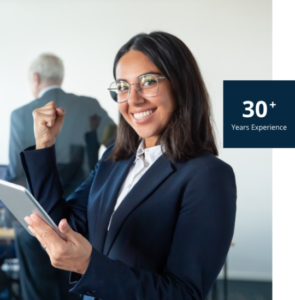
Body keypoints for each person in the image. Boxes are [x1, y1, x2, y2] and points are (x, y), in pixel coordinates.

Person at [22, 32, 236, 300]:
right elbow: (62, 225)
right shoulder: (115, 159)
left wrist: (88, 266)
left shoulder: (208, 176)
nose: (133, 99)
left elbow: (184, 294)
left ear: (180, 85)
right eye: (122, 86)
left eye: (148, 82)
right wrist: (44, 145)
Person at [4, 53, 116, 300]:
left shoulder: (20, 115)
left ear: (35, 77)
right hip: (82, 220)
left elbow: (14, 173)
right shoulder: (90, 106)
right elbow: (119, 148)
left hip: (33, 222)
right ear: (60, 76)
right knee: (77, 289)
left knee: (36, 292)